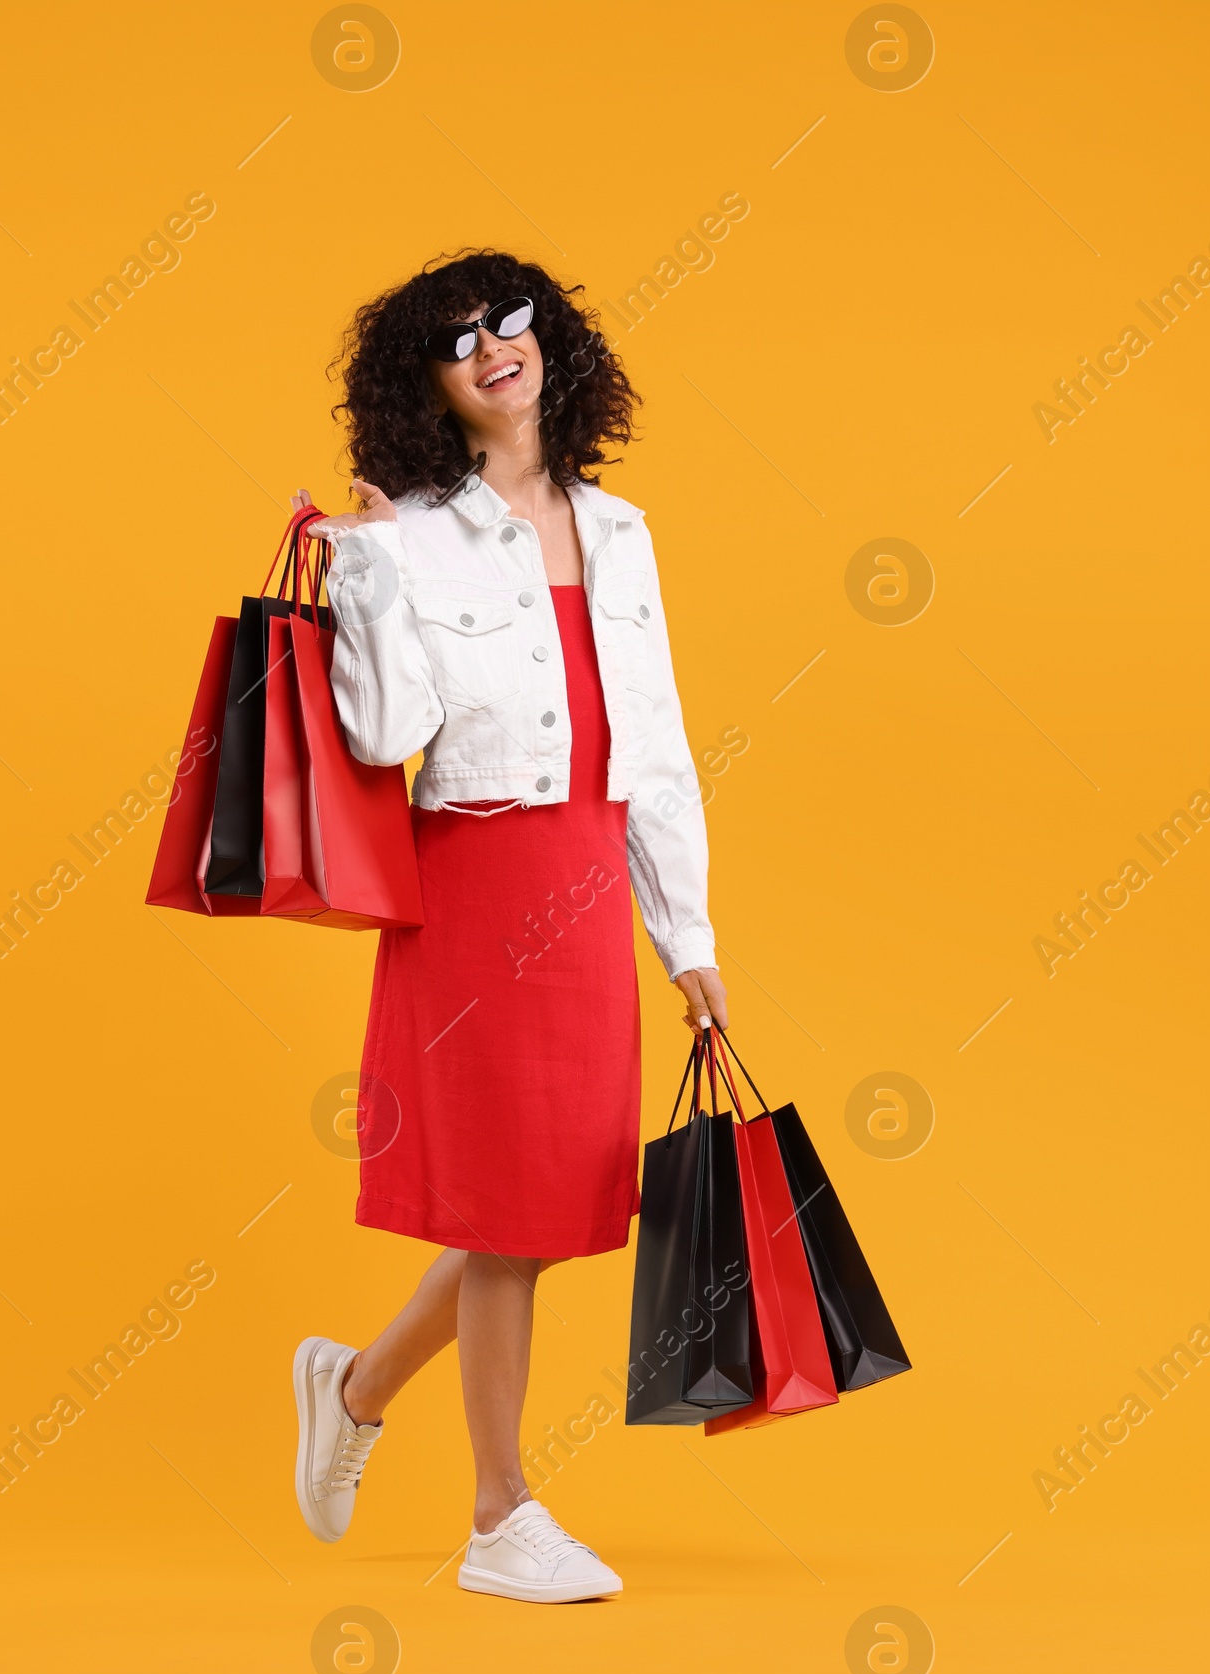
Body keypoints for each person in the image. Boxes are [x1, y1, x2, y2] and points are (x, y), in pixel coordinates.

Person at [290, 250, 725, 1604]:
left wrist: (690, 940)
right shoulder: (409, 533)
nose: (493, 346)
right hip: (476, 888)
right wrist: (362, 575)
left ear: (554, 343)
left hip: (592, 883)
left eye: (510, 320)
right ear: (424, 385)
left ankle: (352, 1390)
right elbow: (386, 734)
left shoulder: (624, 530)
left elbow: (653, 748)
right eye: (456, 338)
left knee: (531, 1213)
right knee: (509, 1209)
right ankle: (500, 1515)